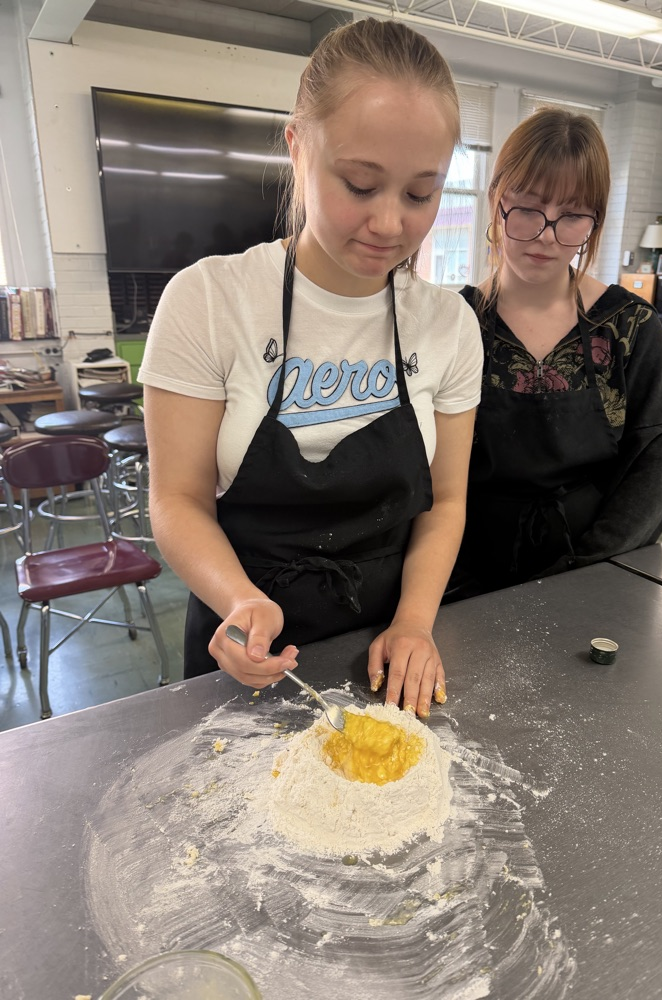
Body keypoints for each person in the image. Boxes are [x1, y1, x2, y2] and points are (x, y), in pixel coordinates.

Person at [140, 18, 483, 718]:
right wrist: (240, 601)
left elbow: (445, 502)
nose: (390, 222)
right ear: (298, 149)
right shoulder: (208, 300)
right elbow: (178, 499)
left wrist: (415, 622)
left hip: (387, 651)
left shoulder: (449, 326)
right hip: (246, 647)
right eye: (360, 183)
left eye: (421, 194)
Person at [450, 107, 662, 597]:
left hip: (598, 577)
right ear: (497, 200)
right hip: (463, 580)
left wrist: (586, 574)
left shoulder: (630, 328)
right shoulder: (453, 323)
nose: (546, 235)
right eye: (529, 208)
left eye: (572, 216)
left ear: (595, 220)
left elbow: (650, 470)